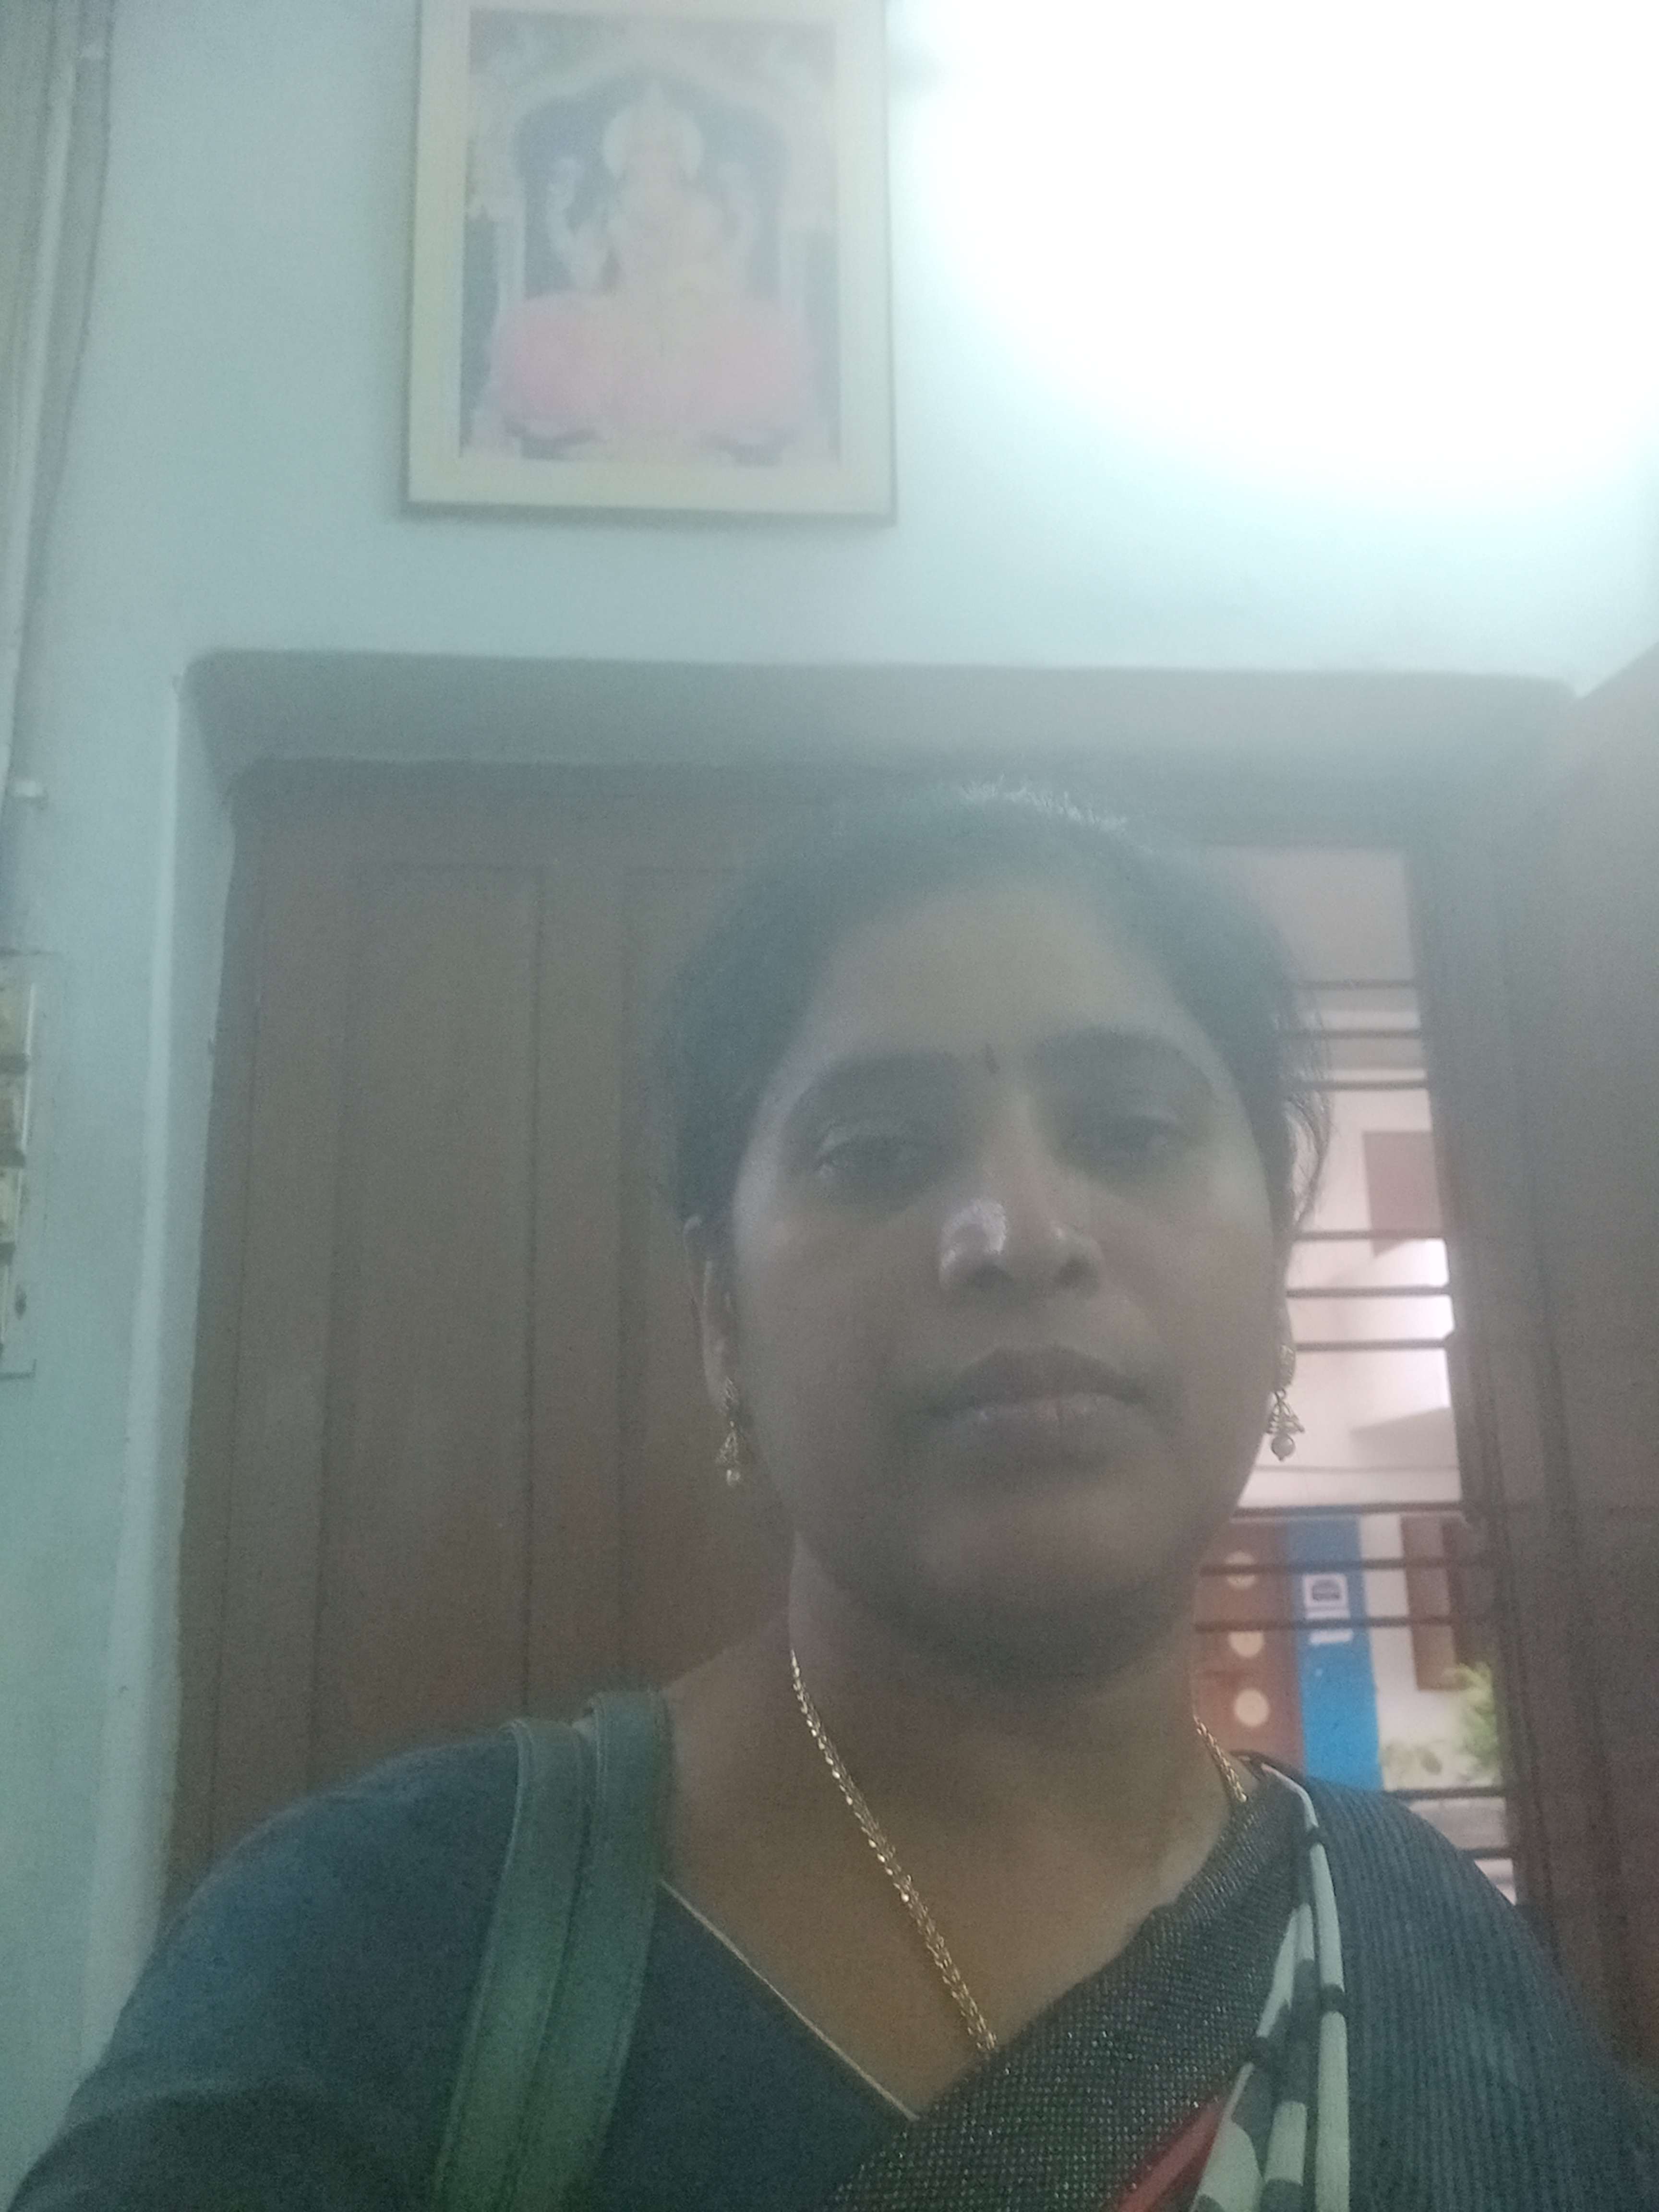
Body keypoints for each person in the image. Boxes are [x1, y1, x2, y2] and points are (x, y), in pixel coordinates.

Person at [12, 785, 1657, 2211]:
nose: (1020, 1232)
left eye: (1131, 1128)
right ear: (722, 1324)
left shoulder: (1436, 1951)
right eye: (877, 1152)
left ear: (1277, 1282)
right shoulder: (380, 1959)